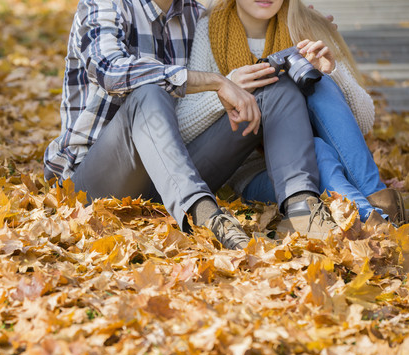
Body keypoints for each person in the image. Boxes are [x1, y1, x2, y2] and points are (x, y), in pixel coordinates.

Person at [44, 0, 337, 249]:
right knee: (149, 91)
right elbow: (110, 70)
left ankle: (302, 207)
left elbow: (249, 55)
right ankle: (205, 216)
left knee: (276, 90)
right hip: (99, 180)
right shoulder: (103, 5)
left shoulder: (195, 15)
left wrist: (301, 34)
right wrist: (214, 81)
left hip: (175, 171)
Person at [176, 0, 406, 227]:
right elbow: (183, 127)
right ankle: (379, 219)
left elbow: (365, 123)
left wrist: (333, 73)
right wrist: (226, 88)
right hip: (257, 171)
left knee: (320, 95)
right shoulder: (209, 30)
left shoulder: (305, 24)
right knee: (316, 151)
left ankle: (377, 218)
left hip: (311, 152)